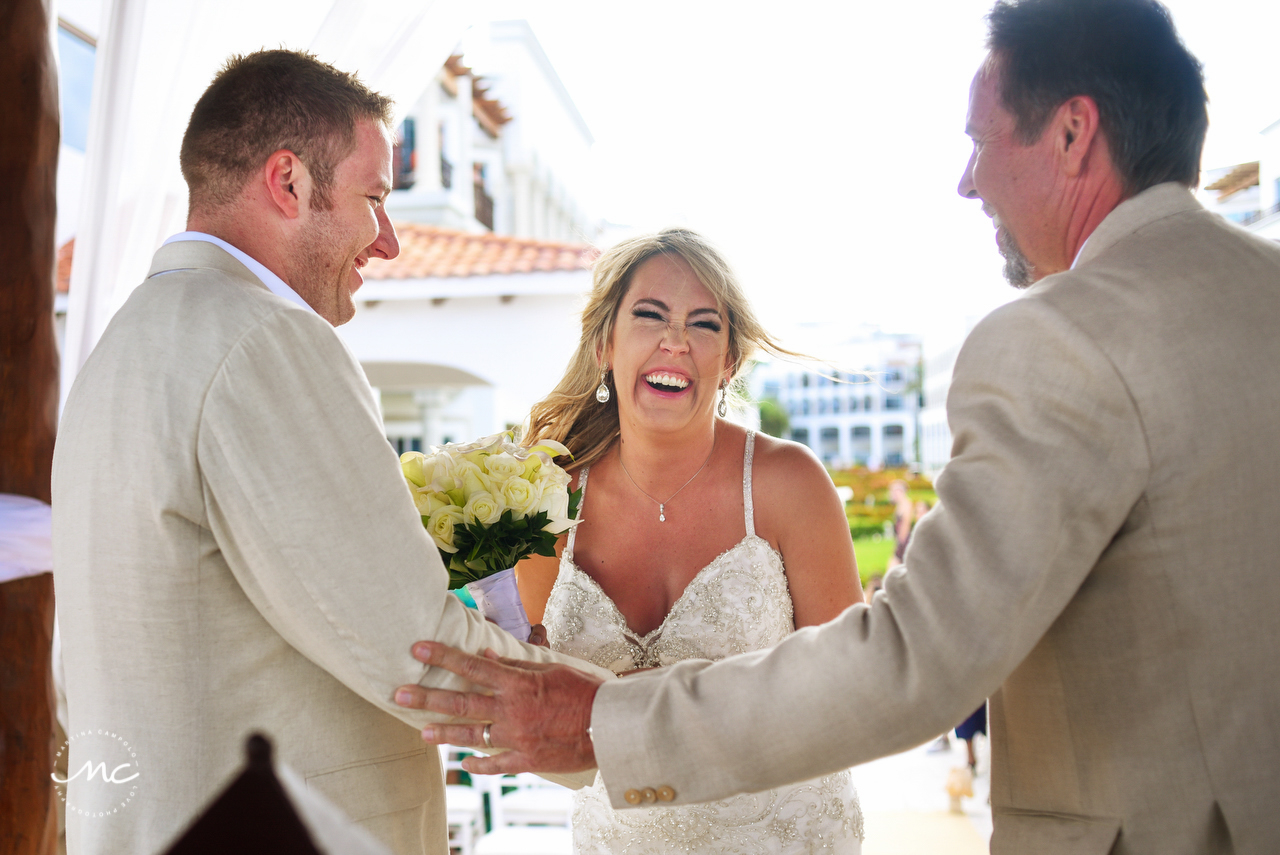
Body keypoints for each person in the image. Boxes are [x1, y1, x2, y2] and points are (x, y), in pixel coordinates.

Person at [393, 1, 1280, 852]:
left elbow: (916, 657)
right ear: (604, 342)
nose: (967, 181)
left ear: (1074, 132)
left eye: (979, 141)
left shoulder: (1059, 335)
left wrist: (597, 720)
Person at [51, 50, 610, 855]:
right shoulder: (264, 342)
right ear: (289, 182)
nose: (386, 241)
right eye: (374, 198)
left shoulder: (120, 350)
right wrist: (647, 732)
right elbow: (412, 648)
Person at [514, 229, 865, 852]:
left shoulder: (789, 484)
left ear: (728, 361)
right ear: (605, 344)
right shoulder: (546, 500)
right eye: (649, 315)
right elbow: (543, 715)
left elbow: (853, 693)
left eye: (704, 324)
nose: (674, 340)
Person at [886, 479, 913, 569]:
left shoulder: (906, 504)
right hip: (901, 541)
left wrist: (899, 544)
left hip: (904, 542)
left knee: (893, 567)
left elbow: (905, 526)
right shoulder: (899, 505)